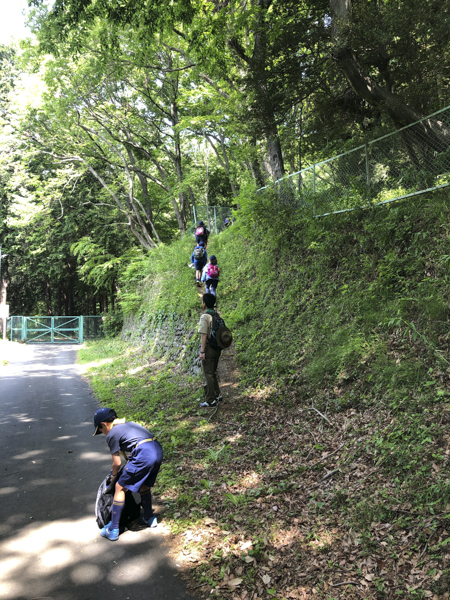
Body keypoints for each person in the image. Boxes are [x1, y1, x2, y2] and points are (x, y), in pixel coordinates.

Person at [93, 407, 163, 541]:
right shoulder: (128, 424)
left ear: (103, 424)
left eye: (100, 430)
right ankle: (149, 517)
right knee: (144, 485)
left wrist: (113, 477)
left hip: (144, 454)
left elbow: (117, 463)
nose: (103, 433)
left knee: (120, 487)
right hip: (157, 451)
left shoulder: (112, 433)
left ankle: (113, 528)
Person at [198, 293, 232, 408]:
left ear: (205, 303)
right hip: (218, 347)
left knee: (208, 373)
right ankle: (218, 395)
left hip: (209, 348)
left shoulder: (205, 317)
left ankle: (210, 400)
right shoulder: (216, 315)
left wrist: (202, 351)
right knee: (212, 372)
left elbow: (204, 335)